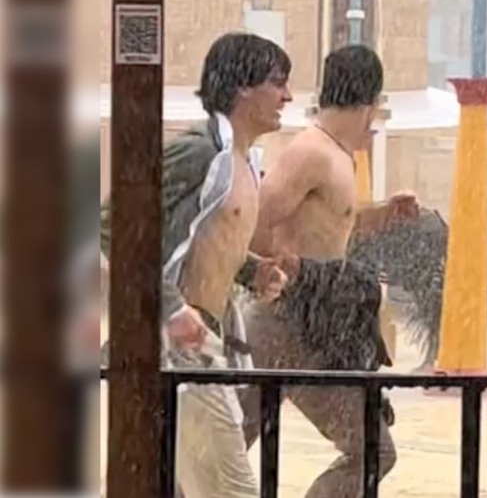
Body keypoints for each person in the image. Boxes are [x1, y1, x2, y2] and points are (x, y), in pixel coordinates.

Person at [99, 32, 294, 498]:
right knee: (231, 490)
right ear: (243, 87)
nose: (287, 96)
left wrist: (251, 272)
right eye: (277, 82)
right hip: (179, 346)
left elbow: (209, 241)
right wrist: (170, 309)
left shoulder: (244, 161)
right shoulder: (201, 151)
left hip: (199, 342)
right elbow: (113, 224)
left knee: (166, 482)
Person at [240, 44, 418, 498]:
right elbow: (254, 218)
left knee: (225, 447)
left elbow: (332, 227)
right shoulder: (312, 152)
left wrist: (382, 214)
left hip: (309, 321)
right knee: (221, 450)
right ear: (371, 103)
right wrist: (276, 271)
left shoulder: (335, 154)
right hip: (284, 320)